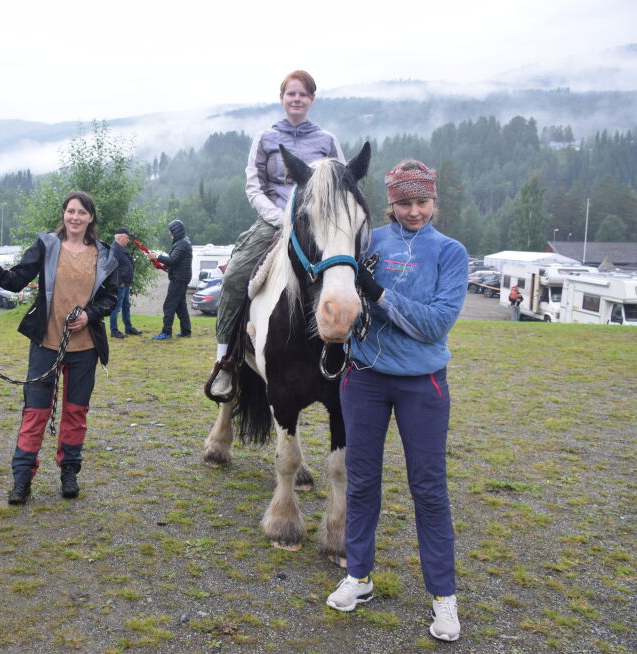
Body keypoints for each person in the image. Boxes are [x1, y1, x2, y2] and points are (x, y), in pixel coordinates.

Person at [325, 161, 467, 643]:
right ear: (390, 203)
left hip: (421, 383)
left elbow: (433, 324)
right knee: (362, 482)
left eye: (422, 201)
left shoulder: (450, 252)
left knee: (428, 489)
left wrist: (378, 293)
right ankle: (358, 577)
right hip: (363, 377)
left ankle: (444, 598)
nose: (413, 211)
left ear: (433, 201)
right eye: (404, 203)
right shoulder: (368, 244)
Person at [209, 70, 344, 397]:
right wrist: (281, 219)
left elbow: (342, 184)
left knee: (351, 273)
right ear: (282, 98)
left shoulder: (327, 141)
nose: (296, 99)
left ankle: (357, 353)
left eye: (303, 94)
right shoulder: (265, 138)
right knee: (234, 278)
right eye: (291, 94)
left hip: (317, 225)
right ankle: (225, 359)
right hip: (272, 222)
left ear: (312, 99)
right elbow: (253, 187)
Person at [0, 191, 118, 505]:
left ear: (90, 218)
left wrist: (89, 315)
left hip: (85, 348)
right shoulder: (46, 245)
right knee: (35, 413)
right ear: (64, 214)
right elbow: (16, 280)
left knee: (75, 413)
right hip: (46, 344)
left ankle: (69, 472)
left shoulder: (105, 254)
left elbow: (111, 299)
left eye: (82, 212)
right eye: (70, 211)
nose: (75, 217)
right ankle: (22, 479)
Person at [148, 219, 192, 340]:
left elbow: (173, 260)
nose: (169, 233)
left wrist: (157, 256)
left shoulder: (182, 243)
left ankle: (166, 332)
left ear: (175, 231)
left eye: (170, 231)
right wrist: (161, 265)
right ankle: (186, 330)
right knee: (180, 305)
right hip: (181, 277)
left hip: (179, 279)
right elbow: (174, 261)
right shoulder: (182, 242)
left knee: (169, 305)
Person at [109, 227, 141, 338]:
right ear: (121, 236)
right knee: (116, 307)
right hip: (120, 284)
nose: (128, 240)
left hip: (125, 283)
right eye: (127, 238)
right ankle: (114, 331)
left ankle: (128, 328)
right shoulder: (114, 249)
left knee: (126, 306)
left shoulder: (120, 248)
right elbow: (112, 268)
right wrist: (120, 281)